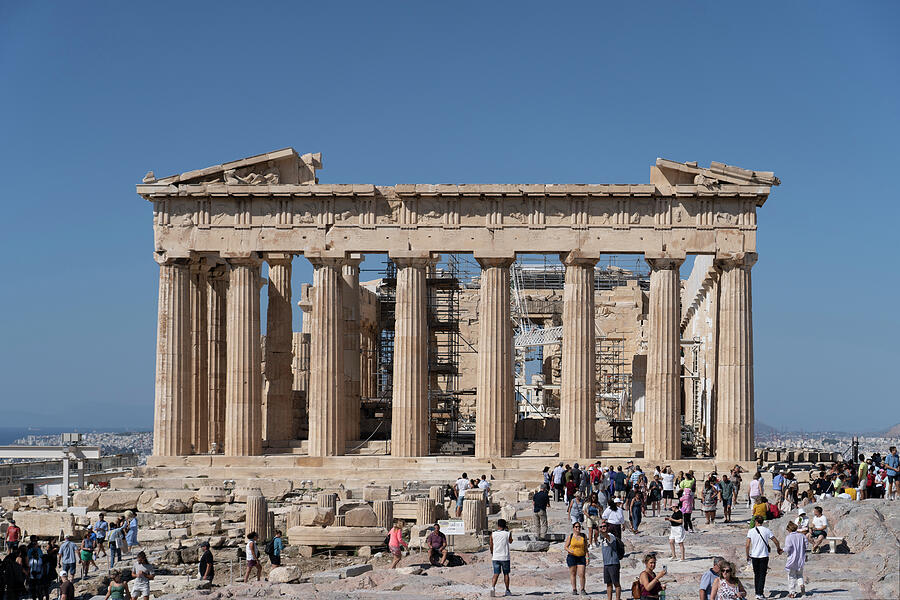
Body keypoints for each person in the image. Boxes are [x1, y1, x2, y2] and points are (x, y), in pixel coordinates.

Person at [746, 515, 782, 600]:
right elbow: (776, 541)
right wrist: (778, 548)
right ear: (762, 522)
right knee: (762, 574)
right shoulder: (767, 530)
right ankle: (760, 593)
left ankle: (757, 593)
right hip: (764, 555)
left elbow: (747, 545)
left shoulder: (751, 531)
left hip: (754, 555)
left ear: (755, 521)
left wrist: (747, 555)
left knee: (756, 574)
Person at [597, 521, 621, 600]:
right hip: (606, 564)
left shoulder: (611, 536)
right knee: (608, 583)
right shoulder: (602, 539)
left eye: (604, 526)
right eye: (601, 527)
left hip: (613, 563)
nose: (603, 528)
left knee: (616, 583)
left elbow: (607, 536)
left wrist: (601, 532)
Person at [489, 519, 513, 597]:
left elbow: (491, 545)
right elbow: (510, 541)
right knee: (506, 574)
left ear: (498, 525)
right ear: (505, 525)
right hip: (505, 557)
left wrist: (492, 553)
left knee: (496, 573)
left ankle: (492, 588)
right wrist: (508, 531)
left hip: (496, 557)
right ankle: (507, 590)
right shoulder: (507, 533)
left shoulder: (493, 534)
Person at [564, 521, 589, 596]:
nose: (578, 528)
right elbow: (565, 546)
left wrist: (587, 557)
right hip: (572, 557)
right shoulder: (571, 536)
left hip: (581, 556)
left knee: (582, 574)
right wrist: (569, 550)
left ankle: (582, 589)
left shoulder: (583, 536)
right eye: (576, 527)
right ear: (573, 528)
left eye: (579, 527)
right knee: (573, 573)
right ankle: (574, 589)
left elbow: (586, 548)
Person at [784, 521, 806, 598]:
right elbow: (806, 544)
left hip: (792, 559)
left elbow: (788, 548)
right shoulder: (802, 536)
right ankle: (801, 585)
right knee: (800, 574)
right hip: (801, 558)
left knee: (791, 576)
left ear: (789, 529)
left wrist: (781, 550)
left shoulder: (789, 537)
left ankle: (792, 593)